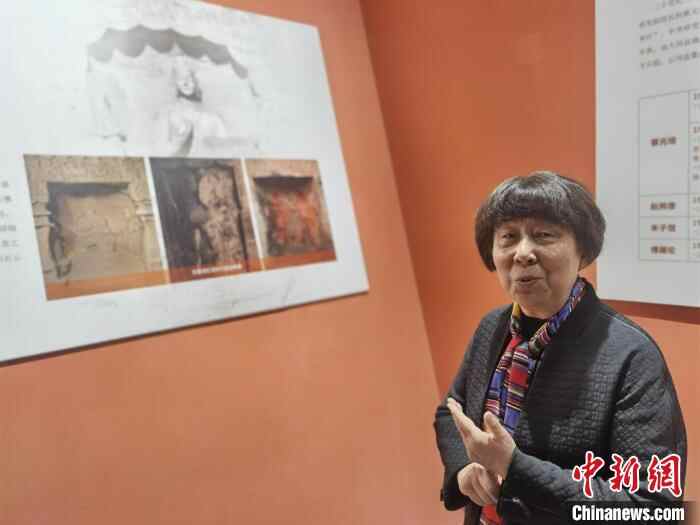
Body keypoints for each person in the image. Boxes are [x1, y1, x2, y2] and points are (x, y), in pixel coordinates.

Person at [434, 172, 686, 525]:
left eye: (543, 235)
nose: (523, 253)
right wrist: (465, 469)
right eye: (508, 237)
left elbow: (650, 504)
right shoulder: (492, 328)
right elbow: (451, 412)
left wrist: (515, 468)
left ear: (582, 250)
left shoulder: (631, 355)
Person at [155, 60, 229, 157]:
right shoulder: (168, 113)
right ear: (175, 82)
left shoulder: (213, 117)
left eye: (190, 77)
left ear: (196, 79)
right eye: (180, 78)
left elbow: (224, 150)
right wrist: (180, 139)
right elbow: (160, 150)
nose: (186, 83)